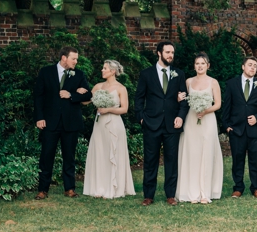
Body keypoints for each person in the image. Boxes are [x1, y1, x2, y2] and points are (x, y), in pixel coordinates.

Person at [30, 46, 92, 199]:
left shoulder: (79, 74)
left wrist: (70, 95)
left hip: (71, 122)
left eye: (76, 59)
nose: (76, 62)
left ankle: (69, 188)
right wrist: (39, 117)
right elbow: (38, 96)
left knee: (69, 157)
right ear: (64, 58)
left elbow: (88, 95)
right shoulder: (46, 72)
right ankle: (43, 189)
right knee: (46, 156)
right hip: (50, 122)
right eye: (73, 58)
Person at [136, 41, 189, 206]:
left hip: (172, 124)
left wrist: (181, 116)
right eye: (167, 52)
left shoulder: (179, 74)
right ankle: (148, 195)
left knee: (171, 161)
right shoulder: (146, 74)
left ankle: (170, 195)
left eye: (172, 52)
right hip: (151, 123)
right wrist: (141, 118)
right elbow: (139, 98)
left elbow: (184, 98)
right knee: (150, 160)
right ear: (159, 53)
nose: (170, 55)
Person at [221, 56, 257, 198]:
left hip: (255, 130)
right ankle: (238, 187)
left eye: (255, 66)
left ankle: (256, 187)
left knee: (255, 160)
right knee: (238, 160)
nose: (253, 68)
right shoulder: (232, 84)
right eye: (250, 65)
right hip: (236, 129)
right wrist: (227, 126)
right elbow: (227, 106)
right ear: (243, 67)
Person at [82, 60, 134, 199]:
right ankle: (99, 187)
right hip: (99, 124)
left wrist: (108, 109)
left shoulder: (121, 88)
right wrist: (80, 91)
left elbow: (124, 109)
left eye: (105, 68)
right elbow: (86, 100)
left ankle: (114, 187)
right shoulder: (98, 86)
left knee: (113, 153)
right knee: (100, 152)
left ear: (112, 71)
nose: (102, 70)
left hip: (114, 124)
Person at [176, 52, 223, 203]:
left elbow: (218, 104)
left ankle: (205, 193)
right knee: (192, 153)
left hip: (208, 120)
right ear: (194, 66)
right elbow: (183, 99)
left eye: (203, 63)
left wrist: (205, 110)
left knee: (206, 153)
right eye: (197, 63)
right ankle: (192, 192)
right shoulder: (188, 81)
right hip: (191, 120)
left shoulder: (213, 82)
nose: (200, 66)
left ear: (208, 65)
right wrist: (179, 98)